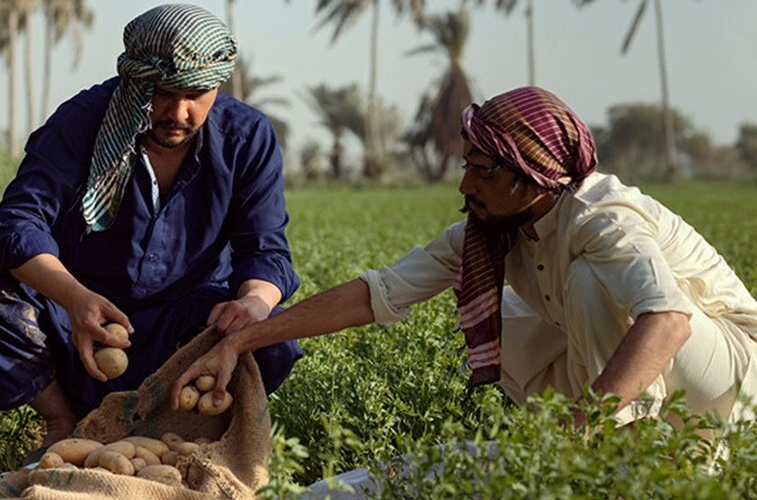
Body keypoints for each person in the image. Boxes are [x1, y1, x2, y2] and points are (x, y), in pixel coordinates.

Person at [173, 86, 757, 431]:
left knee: (584, 285)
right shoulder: (488, 231)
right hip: (665, 377)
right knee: (503, 315)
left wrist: (583, 430)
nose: (465, 188)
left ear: (533, 180)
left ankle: (610, 444)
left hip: (731, 377)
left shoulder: (601, 217)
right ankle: (593, 437)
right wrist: (241, 341)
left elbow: (668, 320)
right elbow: (377, 294)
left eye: (483, 172)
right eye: (466, 167)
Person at [0, 4, 302, 451]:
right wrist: (74, 298)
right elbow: (17, 224)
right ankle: (63, 422)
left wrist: (254, 304)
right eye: (162, 92)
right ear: (134, 79)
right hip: (77, 321)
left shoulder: (246, 138)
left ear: (217, 86)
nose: (179, 113)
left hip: (183, 327)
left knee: (274, 337)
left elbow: (265, 251)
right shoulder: (83, 121)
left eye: (196, 95)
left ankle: (178, 436)